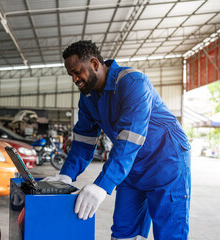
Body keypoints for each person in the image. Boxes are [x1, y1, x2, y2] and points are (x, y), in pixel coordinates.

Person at [42, 40, 191, 240]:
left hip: (166, 161)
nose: (75, 79)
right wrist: (66, 175)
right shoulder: (87, 99)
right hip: (130, 165)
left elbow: (130, 138)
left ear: (95, 64)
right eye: (71, 75)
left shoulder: (133, 83)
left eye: (78, 72)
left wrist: (103, 184)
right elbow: (83, 142)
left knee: (169, 233)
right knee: (123, 233)